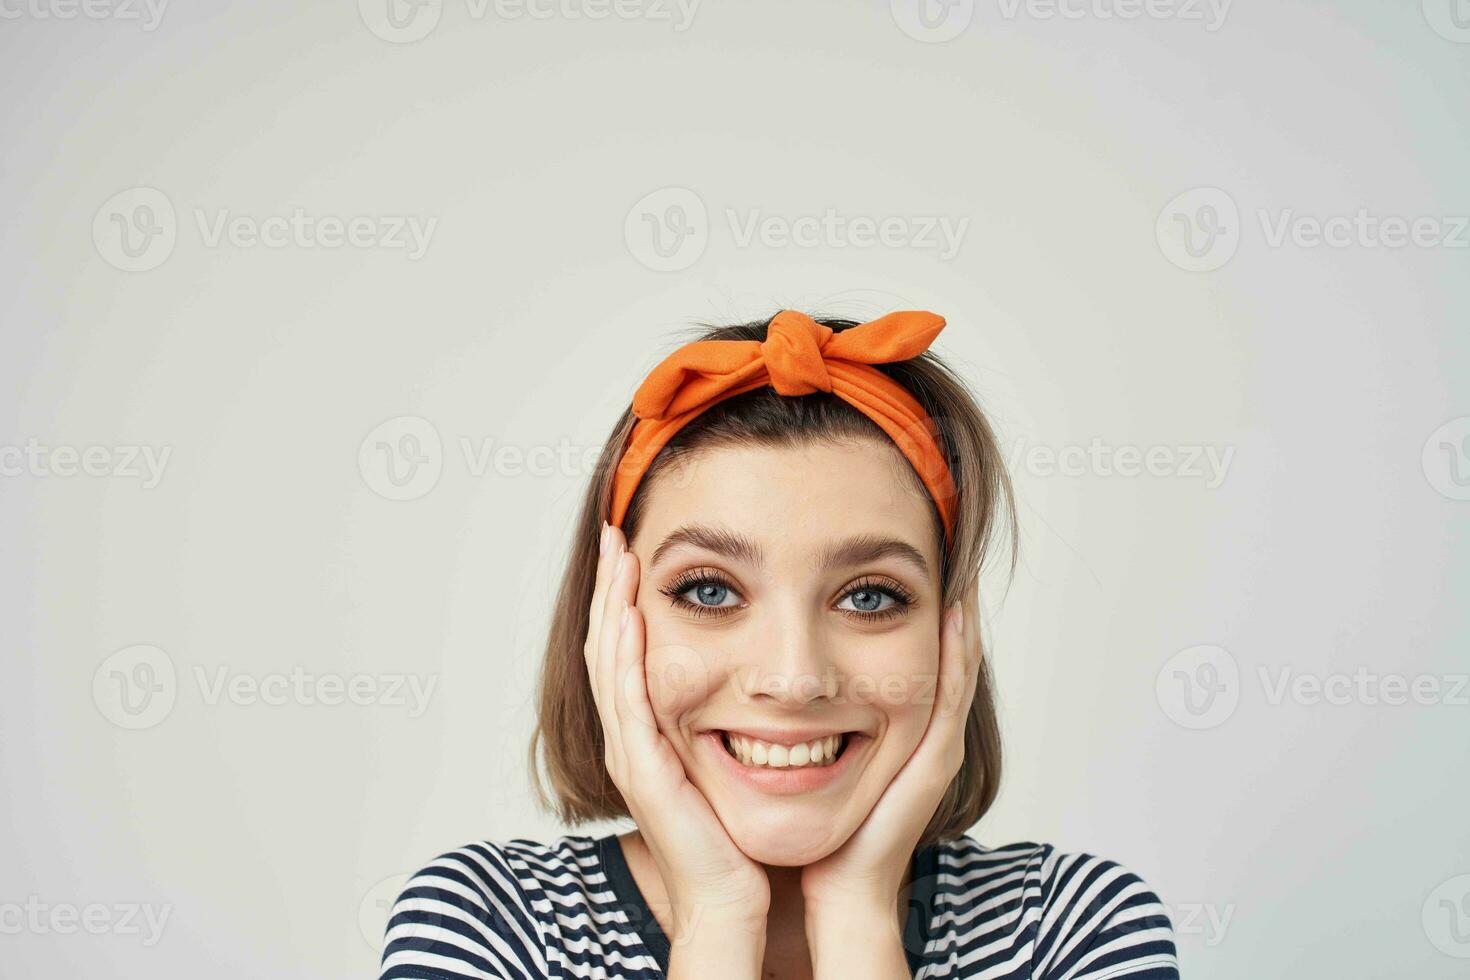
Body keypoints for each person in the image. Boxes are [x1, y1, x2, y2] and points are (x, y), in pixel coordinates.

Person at [378, 310, 1180, 979]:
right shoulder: (490, 925)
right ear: (608, 620)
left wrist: (860, 921)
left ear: (952, 633)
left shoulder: (1070, 930)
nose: (794, 678)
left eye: (870, 596)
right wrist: (715, 921)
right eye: (709, 591)